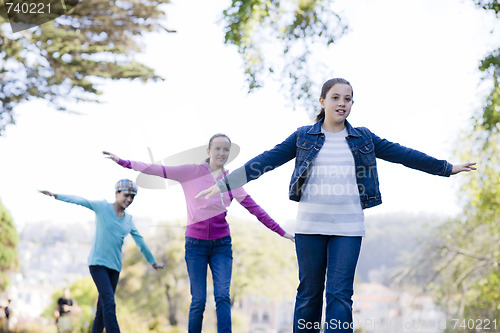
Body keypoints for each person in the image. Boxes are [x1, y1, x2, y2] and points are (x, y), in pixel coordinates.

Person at [195, 78, 477, 333]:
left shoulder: (363, 138)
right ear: (322, 101)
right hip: (310, 226)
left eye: (348, 98)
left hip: (348, 227)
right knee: (309, 295)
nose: (342, 103)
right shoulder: (303, 136)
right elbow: (265, 160)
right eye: (336, 97)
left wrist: (446, 167)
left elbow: (404, 154)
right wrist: (224, 183)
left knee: (340, 295)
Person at [103, 133, 294, 333]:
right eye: (217, 148)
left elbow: (255, 209)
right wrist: (123, 162)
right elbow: (157, 170)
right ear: (209, 151)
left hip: (222, 245)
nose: (222, 153)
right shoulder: (191, 172)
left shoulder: (232, 180)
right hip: (196, 246)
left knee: (222, 297)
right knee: (199, 300)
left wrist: (281, 232)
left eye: (226, 149)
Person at [39, 179, 165, 333]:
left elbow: (140, 242)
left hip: (115, 268)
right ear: (117, 193)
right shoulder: (102, 207)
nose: (129, 200)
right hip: (98, 264)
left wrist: (153, 262)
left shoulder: (129, 220)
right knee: (109, 303)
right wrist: (56, 195)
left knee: (102, 308)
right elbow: (81, 201)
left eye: (132, 197)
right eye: (126, 195)